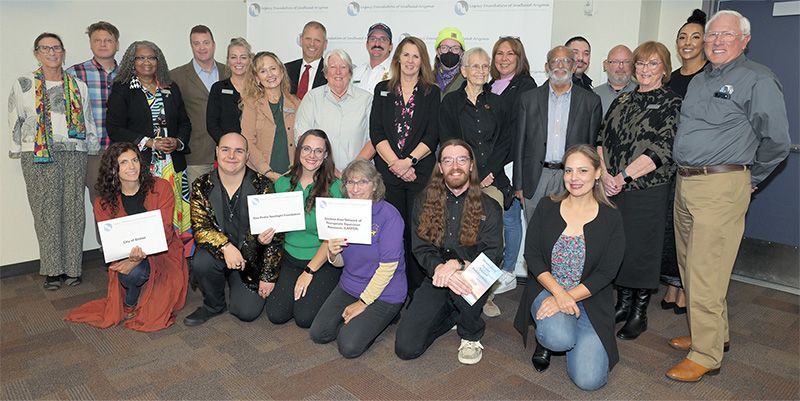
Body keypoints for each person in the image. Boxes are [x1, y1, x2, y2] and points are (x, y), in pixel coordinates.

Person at [667, 9, 790, 382]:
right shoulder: (702, 79)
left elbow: (777, 141)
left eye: (726, 35)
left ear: (744, 40)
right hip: (686, 183)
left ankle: (705, 355)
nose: (716, 41)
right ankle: (713, 336)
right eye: (712, 36)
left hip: (721, 185)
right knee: (693, 269)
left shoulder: (757, 79)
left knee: (706, 272)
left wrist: (752, 178)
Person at [513, 45, 602, 370]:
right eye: (556, 61)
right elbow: (520, 141)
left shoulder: (590, 101)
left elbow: (591, 148)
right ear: (546, 65)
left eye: (567, 61)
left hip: (573, 180)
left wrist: (588, 180)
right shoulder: (529, 99)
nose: (562, 66)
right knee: (539, 248)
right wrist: (520, 184)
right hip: (537, 179)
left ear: (574, 65)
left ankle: (569, 300)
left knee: (570, 244)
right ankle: (542, 319)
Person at [513, 144, 625, 391]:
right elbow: (532, 255)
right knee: (558, 337)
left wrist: (566, 298)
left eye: (583, 171)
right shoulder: (546, 207)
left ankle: (566, 324)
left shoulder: (611, 217)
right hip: (548, 290)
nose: (574, 178)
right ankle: (550, 335)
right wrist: (558, 295)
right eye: (569, 171)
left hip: (591, 298)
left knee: (590, 381)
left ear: (597, 173)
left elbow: (607, 272)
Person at [597, 41, 682, 340]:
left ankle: (638, 313)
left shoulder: (672, 103)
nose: (645, 70)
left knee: (642, 249)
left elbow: (663, 149)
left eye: (653, 64)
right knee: (620, 247)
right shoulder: (623, 101)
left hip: (647, 189)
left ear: (665, 68)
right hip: (613, 187)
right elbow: (600, 138)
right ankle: (622, 303)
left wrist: (624, 177)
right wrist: (605, 173)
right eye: (641, 64)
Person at [395, 139, 503, 365]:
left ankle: (470, 333)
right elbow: (421, 247)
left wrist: (459, 265)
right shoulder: (423, 201)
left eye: (462, 159)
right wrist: (442, 268)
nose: (455, 166)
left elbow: (493, 255)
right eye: (448, 160)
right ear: (440, 167)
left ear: (471, 165)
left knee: (467, 285)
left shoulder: (490, 206)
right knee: (406, 347)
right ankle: (454, 312)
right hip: (437, 274)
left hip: (473, 274)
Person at [8, 32, 98, 289]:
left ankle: (73, 267)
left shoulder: (78, 85)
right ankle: (52, 269)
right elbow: (15, 119)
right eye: (45, 48)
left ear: (63, 52)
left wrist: (90, 146)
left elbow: (88, 118)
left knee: (73, 209)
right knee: (46, 211)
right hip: (37, 154)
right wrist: (17, 149)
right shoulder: (23, 83)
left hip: (74, 152)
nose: (51, 53)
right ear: (37, 53)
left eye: (56, 48)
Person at [65, 142, 188, 331]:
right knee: (133, 274)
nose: (131, 167)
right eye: (123, 162)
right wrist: (131, 259)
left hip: (162, 252)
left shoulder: (161, 187)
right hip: (125, 255)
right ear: (113, 169)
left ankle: (131, 300)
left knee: (143, 280)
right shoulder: (104, 201)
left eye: (134, 160)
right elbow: (110, 240)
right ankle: (133, 298)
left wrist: (137, 259)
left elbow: (164, 230)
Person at [439, 47, 511, 317]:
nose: (481, 71)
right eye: (475, 66)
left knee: (490, 240)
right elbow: (448, 142)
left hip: (491, 180)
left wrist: (485, 173)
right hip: (459, 178)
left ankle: (484, 294)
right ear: (464, 70)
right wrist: (470, 173)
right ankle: (459, 290)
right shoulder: (450, 103)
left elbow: (505, 141)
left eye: (485, 66)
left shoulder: (499, 103)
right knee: (460, 235)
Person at [309, 160, 406, 358]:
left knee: (349, 347)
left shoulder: (389, 216)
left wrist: (363, 302)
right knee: (319, 333)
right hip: (350, 284)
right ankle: (360, 323)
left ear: (375, 185)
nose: (355, 188)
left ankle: (388, 315)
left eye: (362, 182)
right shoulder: (343, 212)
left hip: (385, 292)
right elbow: (340, 261)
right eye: (350, 182)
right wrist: (333, 253)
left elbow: (388, 268)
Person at [184, 132, 284, 326]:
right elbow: (200, 227)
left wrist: (268, 276)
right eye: (225, 150)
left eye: (239, 151)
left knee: (246, 312)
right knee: (201, 262)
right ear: (216, 152)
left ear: (247, 156)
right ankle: (214, 305)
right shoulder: (201, 185)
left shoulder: (263, 186)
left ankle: (235, 282)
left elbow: (276, 237)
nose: (232, 156)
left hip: (252, 258)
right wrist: (226, 247)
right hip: (218, 252)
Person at [107, 40, 194, 256]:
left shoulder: (170, 87)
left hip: (173, 165)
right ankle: (150, 260)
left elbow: (185, 122)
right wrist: (148, 141)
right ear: (132, 61)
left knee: (175, 213)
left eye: (151, 57)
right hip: (142, 165)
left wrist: (177, 141)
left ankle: (177, 259)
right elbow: (115, 128)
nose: (147, 62)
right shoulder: (123, 88)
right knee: (150, 213)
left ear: (159, 61)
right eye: (141, 58)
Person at [369, 36, 440, 295]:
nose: (410, 60)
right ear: (398, 57)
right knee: (392, 233)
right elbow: (376, 132)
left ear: (423, 61)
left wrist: (408, 162)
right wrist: (396, 164)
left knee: (417, 234)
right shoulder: (382, 89)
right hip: (389, 173)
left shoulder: (432, 92)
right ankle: (391, 289)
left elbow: (433, 135)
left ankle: (417, 292)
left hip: (419, 172)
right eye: (406, 55)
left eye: (416, 56)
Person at [265, 129, 344, 328]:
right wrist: (263, 237)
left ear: (326, 155)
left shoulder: (336, 188)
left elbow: (334, 239)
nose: (312, 155)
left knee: (304, 318)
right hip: (290, 258)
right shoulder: (282, 184)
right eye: (307, 149)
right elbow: (274, 229)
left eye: (319, 151)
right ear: (299, 151)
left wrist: (309, 271)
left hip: (321, 260)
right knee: (276, 314)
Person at [661, 9, 708, 315]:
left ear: (705, 41)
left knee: (694, 232)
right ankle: (672, 284)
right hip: (669, 166)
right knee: (671, 228)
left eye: (695, 36)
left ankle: (688, 288)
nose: (687, 42)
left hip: (697, 167)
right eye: (682, 37)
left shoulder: (711, 78)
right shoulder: (671, 79)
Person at [488, 36, 538, 299]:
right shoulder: (490, 85)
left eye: (510, 54)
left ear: (520, 58)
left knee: (510, 218)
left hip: (508, 164)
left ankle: (508, 270)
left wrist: (494, 167)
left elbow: (516, 132)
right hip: (489, 163)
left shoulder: (526, 86)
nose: (504, 58)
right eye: (499, 53)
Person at [294, 49, 374, 175]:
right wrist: (330, 169)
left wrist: (352, 171)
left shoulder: (367, 100)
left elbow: (374, 139)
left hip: (358, 176)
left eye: (343, 67)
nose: (338, 72)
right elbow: (302, 138)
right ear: (325, 73)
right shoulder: (312, 98)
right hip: (320, 175)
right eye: (332, 67)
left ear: (350, 72)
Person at [66, 21, 119, 205]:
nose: (103, 44)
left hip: (122, 151)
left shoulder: (128, 74)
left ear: (117, 44)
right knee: (102, 206)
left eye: (108, 40)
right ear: (90, 43)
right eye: (98, 40)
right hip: (92, 152)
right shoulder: (74, 74)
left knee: (126, 207)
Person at [170, 25, 230, 185]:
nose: (202, 47)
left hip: (229, 155)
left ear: (214, 44)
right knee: (198, 206)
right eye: (196, 43)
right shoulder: (176, 76)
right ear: (191, 46)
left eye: (206, 42)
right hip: (196, 155)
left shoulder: (229, 72)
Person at [240, 51, 301, 181]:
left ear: (282, 71)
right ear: (257, 78)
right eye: (263, 71)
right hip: (259, 174)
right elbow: (247, 140)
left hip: (291, 175)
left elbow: (302, 140)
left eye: (273, 68)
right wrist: (266, 171)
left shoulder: (296, 103)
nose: (270, 75)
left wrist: (295, 169)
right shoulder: (251, 104)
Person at [206, 38, 251, 144]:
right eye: (233, 57)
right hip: (226, 152)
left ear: (250, 60)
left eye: (243, 57)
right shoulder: (218, 89)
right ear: (228, 60)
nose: (238, 61)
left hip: (253, 154)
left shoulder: (258, 90)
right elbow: (212, 125)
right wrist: (229, 146)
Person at [286, 21, 328, 99]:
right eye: (308, 39)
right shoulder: (286, 69)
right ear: (301, 40)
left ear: (325, 44)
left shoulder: (330, 72)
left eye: (317, 40)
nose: (312, 44)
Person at [594, 45, 636, 115]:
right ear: (605, 65)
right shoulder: (594, 95)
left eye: (626, 62)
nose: (621, 66)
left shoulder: (642, 93)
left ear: (633, 66)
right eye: (615, 62)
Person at [352, 23, 393, 93]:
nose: (377, 43)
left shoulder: (398, 73)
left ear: (390, 46)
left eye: (383, 39)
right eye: (373, 39)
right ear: (367, 44)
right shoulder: (356, 73)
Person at [433, 27, 466, 99]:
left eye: (455, 48)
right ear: (437, 52)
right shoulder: (427, 78)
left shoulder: (468, 80)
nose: (450, 51)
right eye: (444, 47)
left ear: (462, 53)